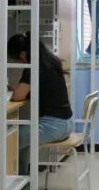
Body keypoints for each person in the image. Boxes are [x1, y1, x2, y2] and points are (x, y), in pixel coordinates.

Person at [7, 33, 73, 174]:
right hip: (66, 123)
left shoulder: (33, 66)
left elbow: (18, 96)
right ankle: (22, 177)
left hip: (54, 127)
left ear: (23, 54)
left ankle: (17, 179)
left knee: (11, 139)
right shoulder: (49, 62)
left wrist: (15, 91)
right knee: (21, 137)